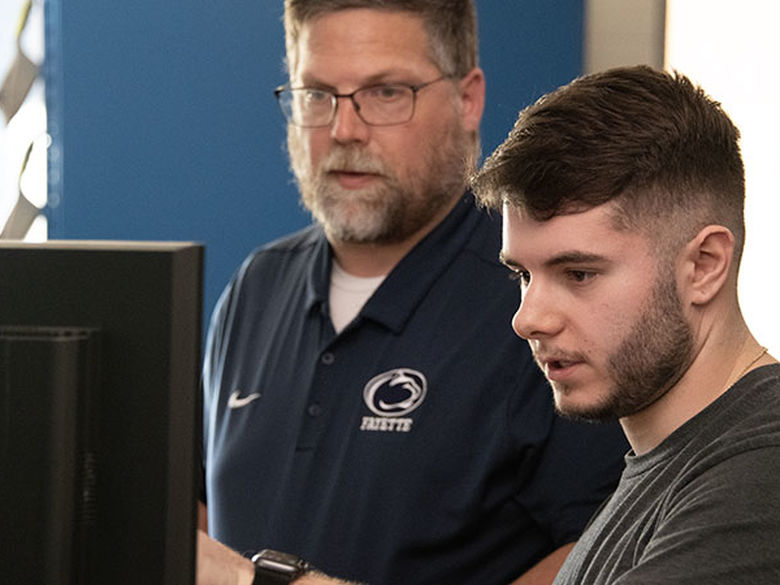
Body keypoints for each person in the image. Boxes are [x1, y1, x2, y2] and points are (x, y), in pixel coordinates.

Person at [199, 2, 628, 585]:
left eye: (386, 93)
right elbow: (200, 518)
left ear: (467, 99)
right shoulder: (255, 287)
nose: (344, 130)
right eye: (317, 94)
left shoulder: (541, 303)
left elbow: (598, 556)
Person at [469, 65, 780, 584]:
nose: (528, 319)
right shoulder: (667, 464)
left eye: (579, 273)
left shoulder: (765, 471)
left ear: (704, 265)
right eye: (523, 274)